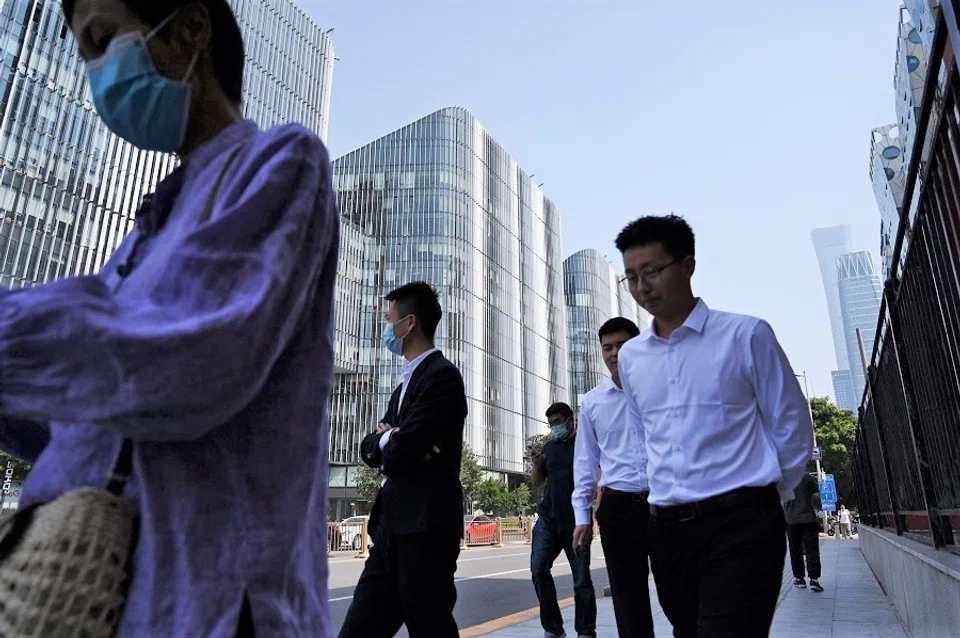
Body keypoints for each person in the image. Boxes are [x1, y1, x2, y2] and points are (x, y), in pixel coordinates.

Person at [0, 0, 339, 635]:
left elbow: (190, 362)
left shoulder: (283, 163)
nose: (98, 74)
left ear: (189, 29)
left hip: (217, 605)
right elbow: (90, 413)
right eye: (86, 55)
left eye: (104, 40)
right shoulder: (140, 237)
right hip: (106, 595)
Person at [614, 215, 814, 637]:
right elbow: (644, 435)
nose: (641, 287)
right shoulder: (632, 358)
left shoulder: (745, 335)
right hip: (667, 531)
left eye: (652, 272)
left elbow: (792, 425)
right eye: (631, 277)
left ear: (687, 265)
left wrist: (763, 495)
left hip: (742, 524)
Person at [339, 282, 468, 638]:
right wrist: (388, 438)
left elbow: (403, 451)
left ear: (408, 323)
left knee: (430, 628)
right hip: (390, 530)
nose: (385, 327)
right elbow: (374, 448)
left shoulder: (442, 377)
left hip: (424, 530)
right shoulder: (404, 386)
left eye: (388, 319)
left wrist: (392, 440)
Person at [572, 317, 653, 638]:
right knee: (628, 602)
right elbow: (585, 462)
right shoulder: (593, 402)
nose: (614, 353)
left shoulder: (658, 390)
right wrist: (581, 515)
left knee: (679, 596)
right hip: (618, 510)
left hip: (664, 505)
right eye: (608, 347)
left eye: (622, 345)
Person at [530, 402, 597, 638]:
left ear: (570, 420)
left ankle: (586, 631)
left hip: (576, 521)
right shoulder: (550, 446)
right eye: (550, 425)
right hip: (548, 519)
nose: (554, 428)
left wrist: (592, 518)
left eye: (557, 422)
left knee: (581, 581)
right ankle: (553, 628)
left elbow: (596, 479)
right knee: (538, 570)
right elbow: (538, 480)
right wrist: (537, 463)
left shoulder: (585, 445)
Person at [784, 470, 824, 592]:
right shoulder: (807, 477)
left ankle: (799, 578)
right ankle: (814, 579)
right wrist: (818, 508)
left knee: (795, 550)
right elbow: (816, 496)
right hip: (808, 519)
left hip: (791, 520)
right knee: (812, 549)